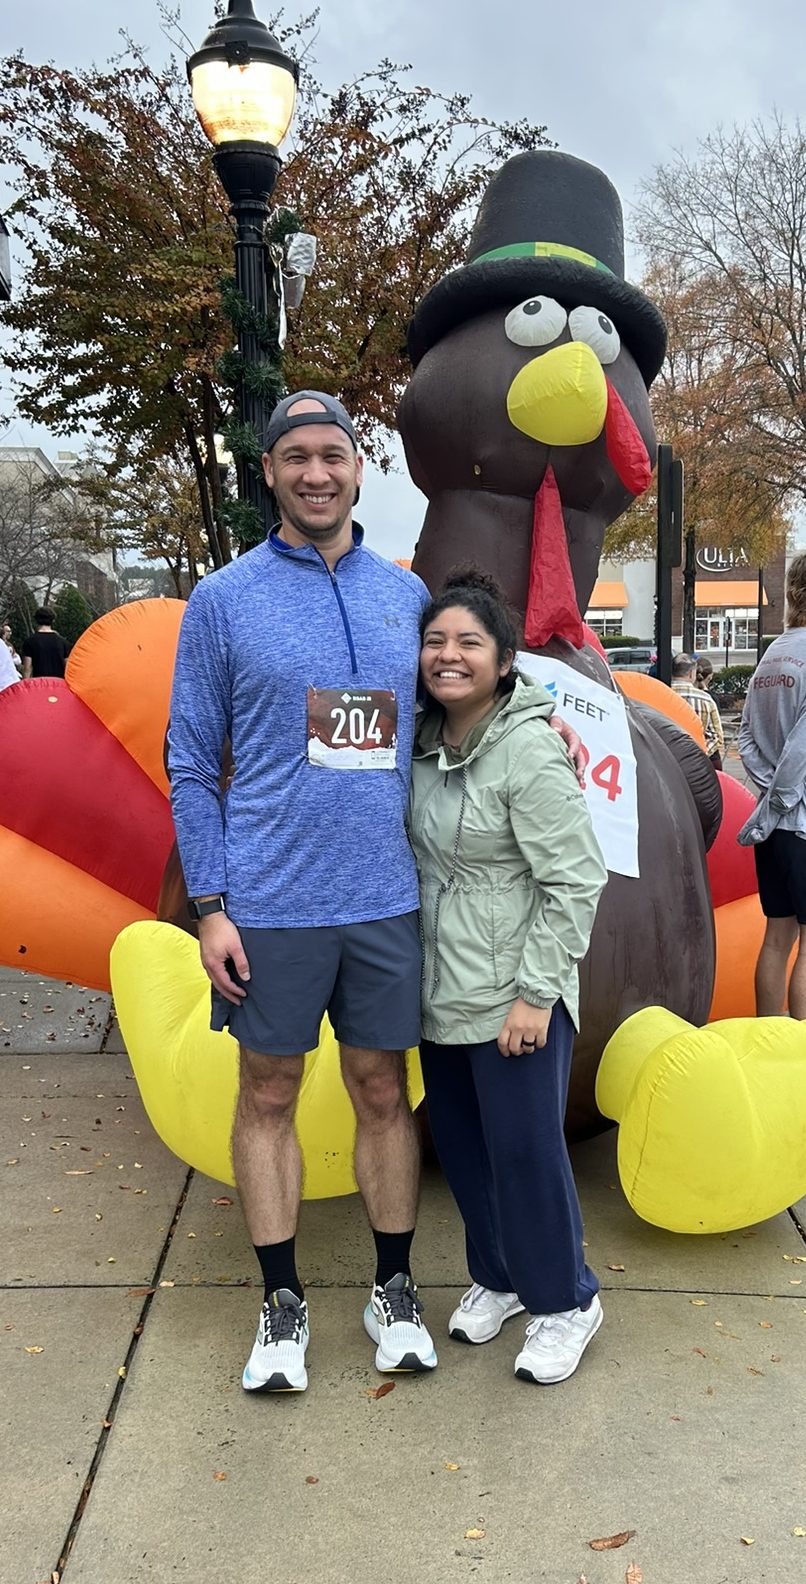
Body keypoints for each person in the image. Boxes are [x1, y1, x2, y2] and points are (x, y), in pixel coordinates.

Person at [168, 390, 584, 1396]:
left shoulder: (404, 598)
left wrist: (538, 721)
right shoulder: (222, 601)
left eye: (335, 455)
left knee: (382, 1094)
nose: (317, 473)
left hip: (388, 903)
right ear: (267, 471)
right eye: (297, 457)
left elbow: (466, 688)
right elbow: (188, 760)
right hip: (267, 906)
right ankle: (280, 1304)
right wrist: (210, 903)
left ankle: (393, 1288)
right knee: (266, 1093)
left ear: (361, 470)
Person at [408, 569, 608, 1385]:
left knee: (527, 1152)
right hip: (437, 990)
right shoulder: (420, 742)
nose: (447, 657)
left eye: (468, 643)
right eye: (434, 641)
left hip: (514, 993)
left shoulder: (528, 746)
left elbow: (575, 880)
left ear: (502, 659)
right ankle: (499, 1277)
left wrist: (536, 995)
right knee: (464, 1150)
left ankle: (566, 1300)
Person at [738, 552, 806, 1017]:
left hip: (771, 826)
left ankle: (769, 1042)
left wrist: (768, 801)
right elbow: (801, 751)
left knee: (777, 937)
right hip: (800, 822)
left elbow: (744, 736)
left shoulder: (771, 654)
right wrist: (782, 799)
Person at [671, 652, 725, 770]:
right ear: (691, 673)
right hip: (697, 764)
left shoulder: (660, 694)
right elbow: (717, 736)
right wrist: (699, 754)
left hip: (668, 761)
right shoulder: (706, 700)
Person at [20, 608, 69, 679]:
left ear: (36, 620)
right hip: (59, 684)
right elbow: (68, 667)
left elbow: (27, 668)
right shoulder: (63, 642)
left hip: (39, 683)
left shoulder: (30, 641)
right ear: (53, 620)